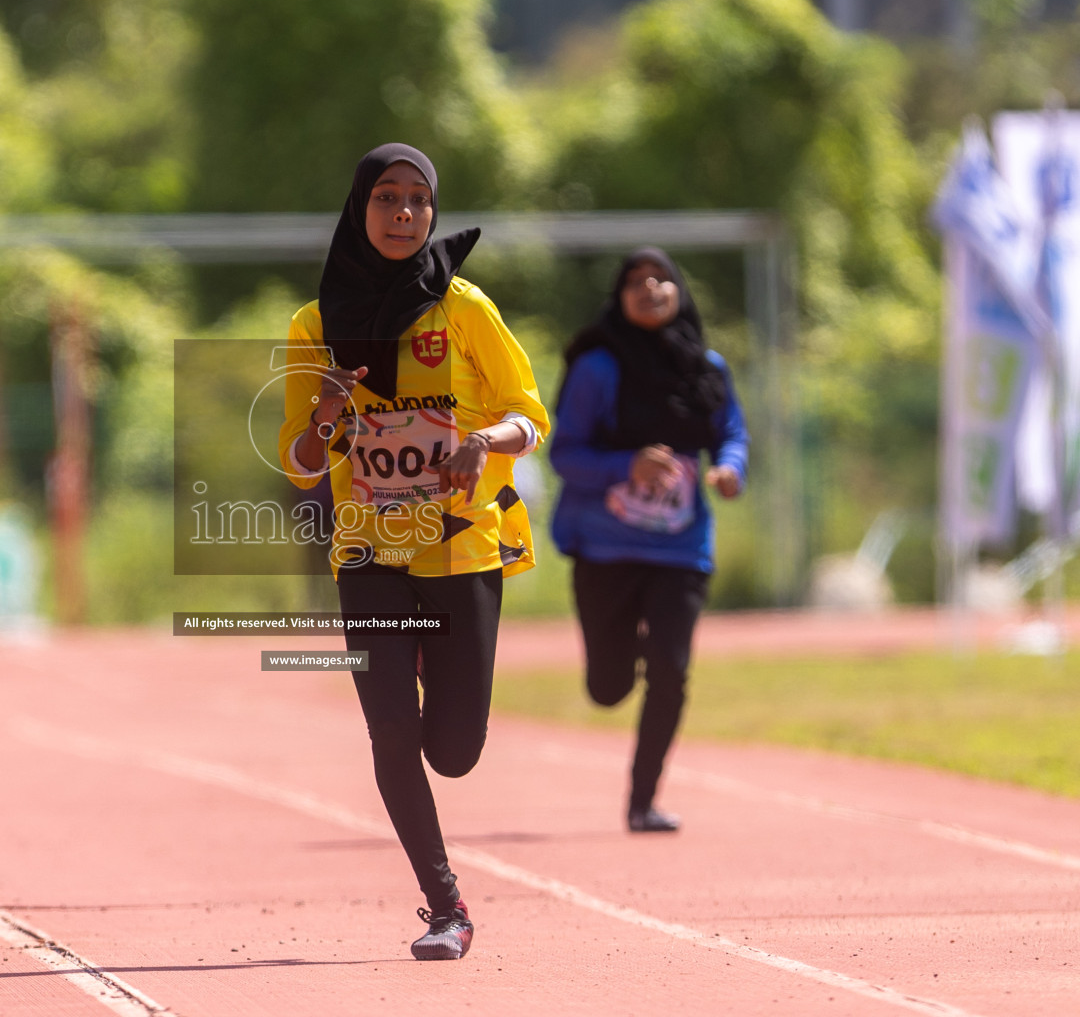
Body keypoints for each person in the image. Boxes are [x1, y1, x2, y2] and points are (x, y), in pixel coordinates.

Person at [278, 144, 549, 960]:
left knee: (454, 751)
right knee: (392, 732)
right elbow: (297, 464)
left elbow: (531, 415)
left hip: (464, 547)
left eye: (417, 201)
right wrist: (326, 411)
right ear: (358, 209)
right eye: (386, 199)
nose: (402, 215)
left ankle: (439, 683)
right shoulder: (314, 326)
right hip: (367, 553)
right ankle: (446, 907)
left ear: (432, 213)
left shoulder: (465, 308)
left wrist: (482, 439)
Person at [548, 247, 748, 833]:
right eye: (635, 281)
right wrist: (626, 466)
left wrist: (731, 468)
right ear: (620, 296)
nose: (651, 288)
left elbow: (730, 431)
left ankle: (643, 800)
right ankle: (625, 653)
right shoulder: (597, 368)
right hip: (605, 547)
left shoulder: (705, 366)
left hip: (680, 548)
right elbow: (565, 454)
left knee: (671, 667)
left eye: (661, 278)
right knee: (608, 689)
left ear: (679, 290)